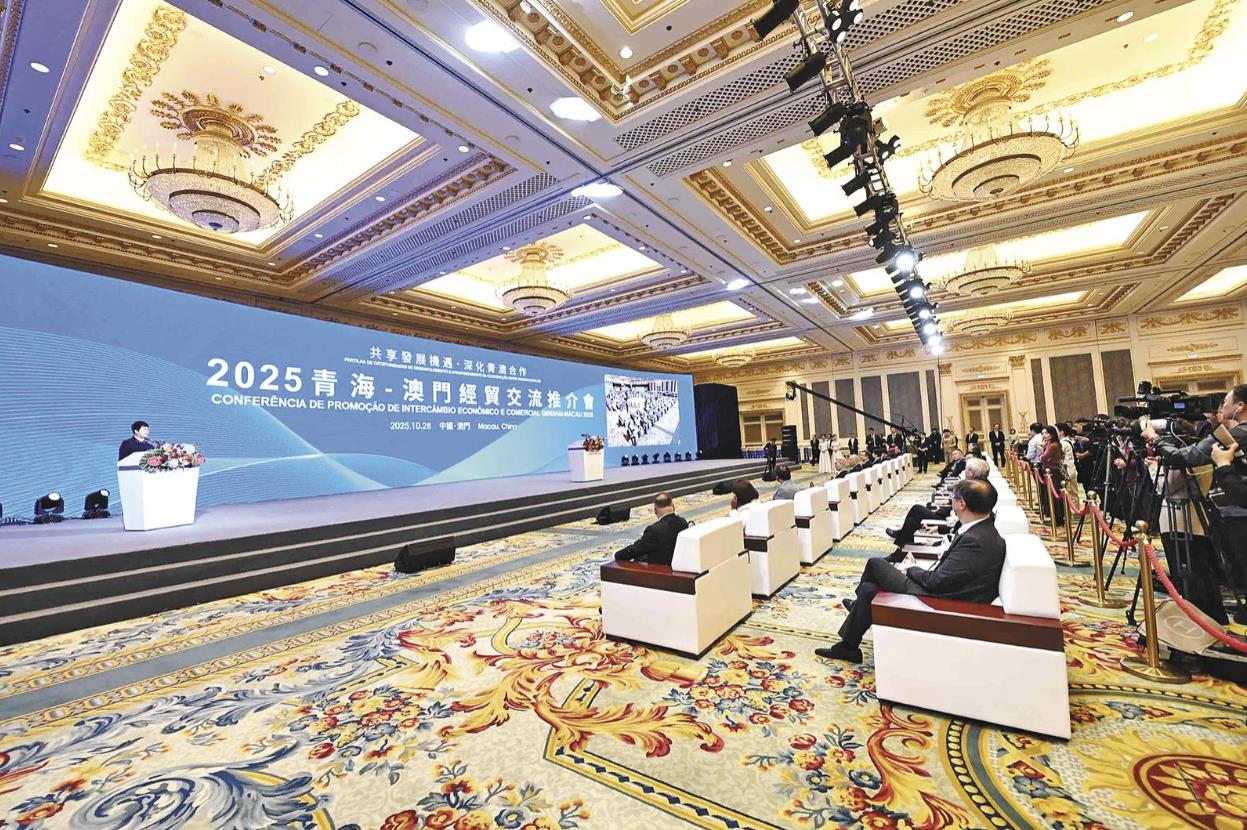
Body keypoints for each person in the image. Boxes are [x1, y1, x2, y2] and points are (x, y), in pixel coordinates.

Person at [815, 478, 1007, 663]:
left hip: (941, 600)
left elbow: (936, 582)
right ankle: (848, 647)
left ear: (962, 504)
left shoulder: (975, 540)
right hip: (949, 591)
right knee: (868, 590)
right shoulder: (983, 529)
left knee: (875, 564)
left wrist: (911, 569)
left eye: (953, 499)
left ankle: (856, 609)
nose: (952, 502)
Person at [886, 457, 990, 549]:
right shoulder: (977, 486)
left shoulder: (977, 492)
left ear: (971, 473)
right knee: (912, 520)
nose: (964, 471)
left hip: (949, 520)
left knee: (916, 511)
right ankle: (901, 544)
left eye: (966, 469)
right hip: (948, 516)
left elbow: (963, 523)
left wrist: (940, 528)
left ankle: (901, 544)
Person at [614, 493, 689, 567]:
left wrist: (618, 555)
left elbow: (636, 549)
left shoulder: (654, 530)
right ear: (673, 506)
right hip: (680, 564)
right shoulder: (683, 522)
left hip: (661, 569)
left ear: (655, 509)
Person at [1038, 425, 1066, 525]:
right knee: (1050, 495)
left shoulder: (1054, 445)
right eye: (1043, 433)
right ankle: (1054, 517)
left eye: (1046, 433)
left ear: (1052, 434)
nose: (1044, 435)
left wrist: (1042, 456)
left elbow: (1043, 457)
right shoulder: (1049, 444)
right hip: (1049, 471)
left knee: (1055, 496)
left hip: (1054, 472)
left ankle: (1058, 518)